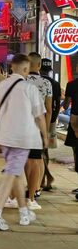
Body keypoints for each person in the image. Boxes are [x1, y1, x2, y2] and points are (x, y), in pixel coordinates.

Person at [0, 54, 47, 231]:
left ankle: (23, 212)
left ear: (11, 67)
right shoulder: (30, 89)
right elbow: (39, 116)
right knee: (11, 174)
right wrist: (44, 136)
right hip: (23, 138)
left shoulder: (1, 86)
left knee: (17, 173)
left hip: (5, 137)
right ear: (26, 69)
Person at [25, 52, 52, 210]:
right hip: (36, 127)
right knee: (36, 160)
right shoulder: (46, 83)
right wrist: (45, 130)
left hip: (21, 126)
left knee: (22, 159)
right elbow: (48, 110)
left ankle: (23, 189)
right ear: (39, 65)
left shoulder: (21, 82)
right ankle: (33, 191)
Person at [39, 58, 60, 190]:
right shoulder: (55, 83)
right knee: (44, 151)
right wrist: (53, 120)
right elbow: (56, 105)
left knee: (40, 151)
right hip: (50, 119)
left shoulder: (40, 82)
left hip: (41, 119)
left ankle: (44, 178)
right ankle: (45, 178)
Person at [61, 63, 78, 198]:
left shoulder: (71, 85)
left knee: (76, 153)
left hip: (75, 121)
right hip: (74, 120)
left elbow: (66, 104)